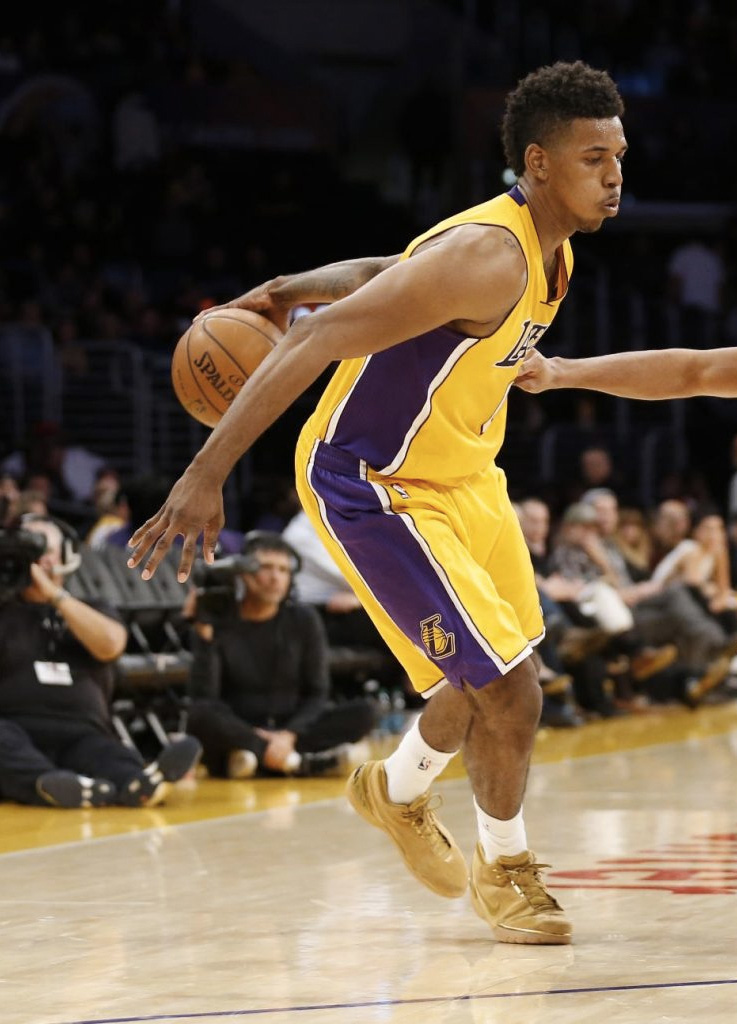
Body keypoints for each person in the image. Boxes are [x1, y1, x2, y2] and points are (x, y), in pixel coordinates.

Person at [128, 61, 629, 945]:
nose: (615, 175)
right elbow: (319, 340)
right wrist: (203, 475)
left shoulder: (547, 249)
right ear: (540, 164)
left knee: (494, 678)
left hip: (465, 475)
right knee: (507, 692)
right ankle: (504, 871)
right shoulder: (490, 252)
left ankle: (394, 793)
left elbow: (393, 271)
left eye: (619, 155)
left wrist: (287, 283)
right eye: (594, 158)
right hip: (375, 485)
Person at [0, 515, 201, 808]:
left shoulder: (92, 607)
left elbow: (111, 645)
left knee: (110, 755)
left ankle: (137, 783)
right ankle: (47, 783)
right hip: (14, 728)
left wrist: (55, 595)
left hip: (83, 732)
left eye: (44, 548)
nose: (36, 558)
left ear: (66, 555)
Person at [184, 531, 377, 778]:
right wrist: (203, 636)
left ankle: (255, 757)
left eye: (283, 570)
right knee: (200, 716)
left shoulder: (304, 620)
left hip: (291, 726)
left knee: (365, 712)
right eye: (266, 567)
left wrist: (288, 735)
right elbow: (204, 697)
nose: (275, 578)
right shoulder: (219, 620)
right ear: (244, 572)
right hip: (240, 724)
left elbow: (317, 692)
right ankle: (299, 762)